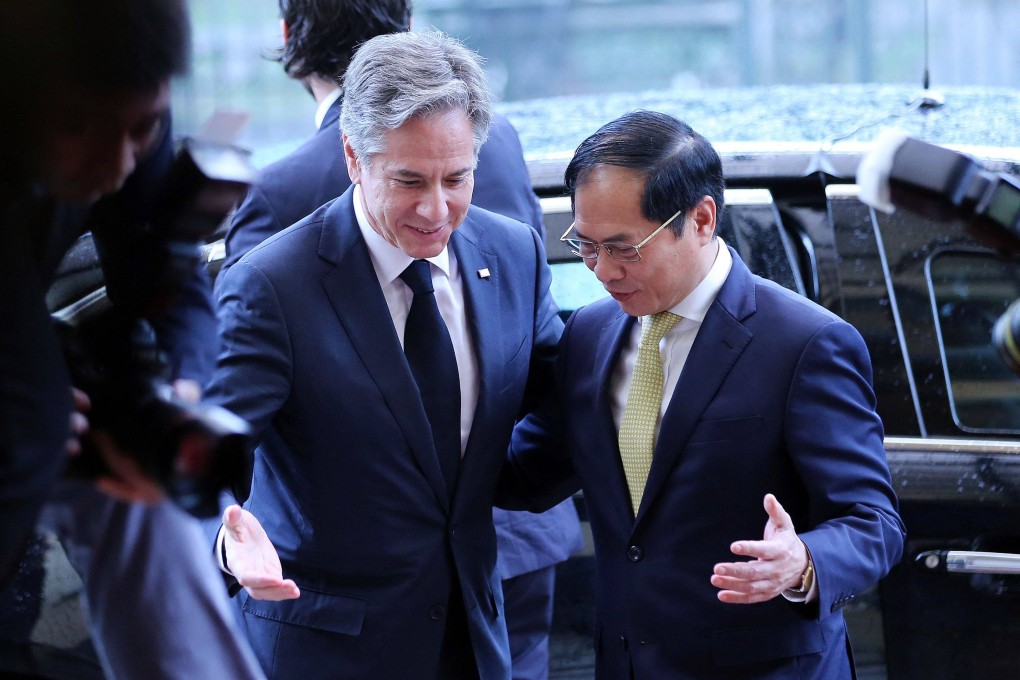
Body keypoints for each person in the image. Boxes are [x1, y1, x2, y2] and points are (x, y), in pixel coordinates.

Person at [217, 2, 581, 677]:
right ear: (355, 157)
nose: (436, 209)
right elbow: (212, 451)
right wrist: (230, 538)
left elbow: (564, 397)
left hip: (476, 640)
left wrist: (501, 479)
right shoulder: (273, 284)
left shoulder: (512, 254)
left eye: (458, 179)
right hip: (329, 648)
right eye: (409, 181)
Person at [500, 111, 907, 679]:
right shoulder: (589, 335)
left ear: (701, 219)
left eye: (625, 248)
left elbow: (873, 522)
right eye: (586, 247)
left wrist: (803, 561)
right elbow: (527, 473)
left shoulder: (805, 344)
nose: (603, 271)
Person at [0, 1, 265, 678]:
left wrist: (171, 392)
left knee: (140, 470)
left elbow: (168, 275)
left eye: (143, 128)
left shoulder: (125, 108)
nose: (116, 165)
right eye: (78, 127)